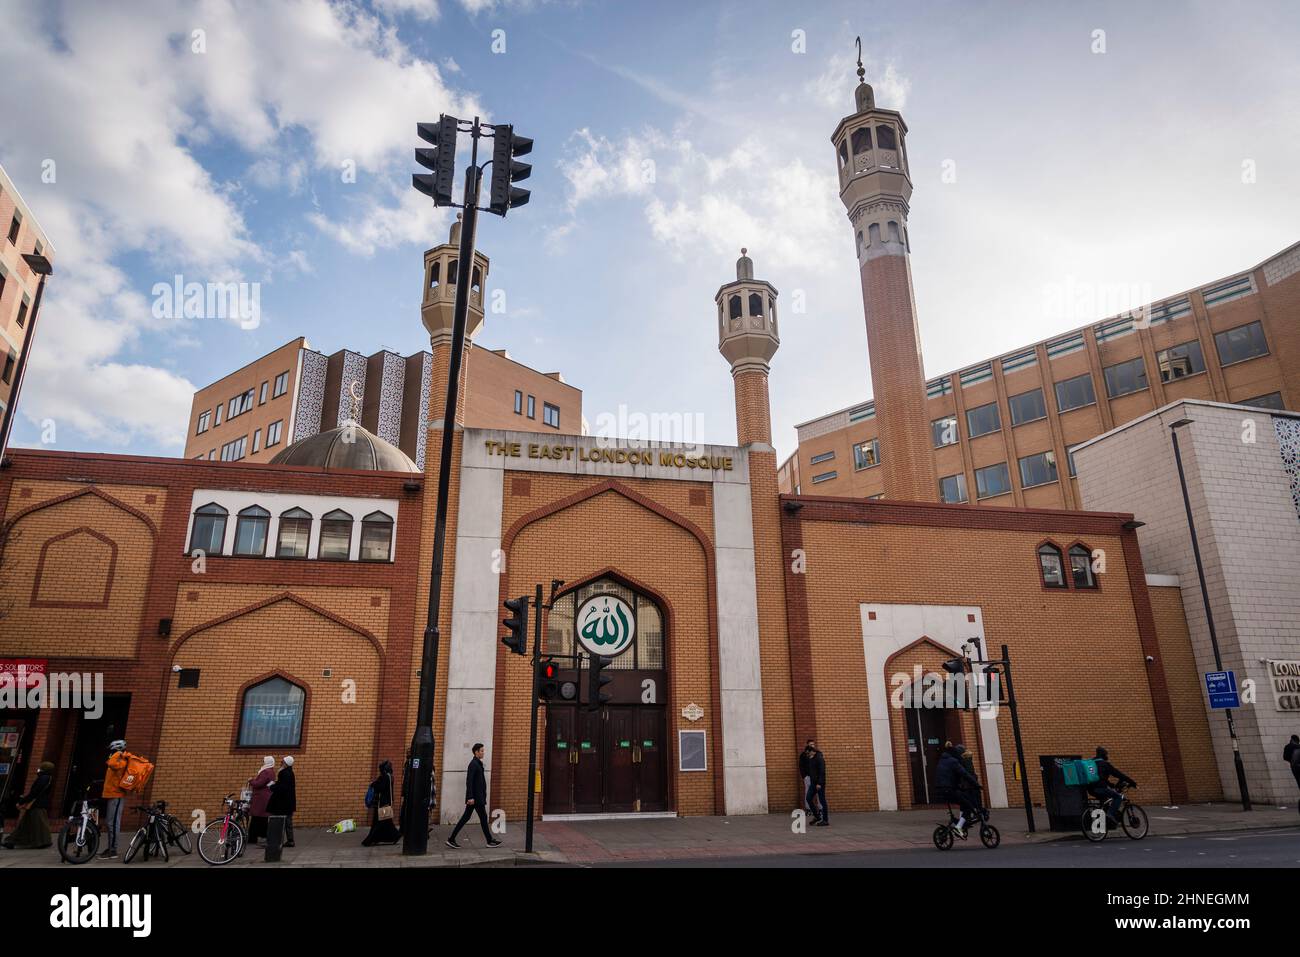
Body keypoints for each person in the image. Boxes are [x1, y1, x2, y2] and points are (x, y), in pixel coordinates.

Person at [445, 743, 501, 849]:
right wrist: (470, 797)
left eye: (483, 751)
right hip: (475, 798)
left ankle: (451, 839)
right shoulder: (473, 764)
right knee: (482, 818)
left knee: (468, 818)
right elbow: (469, 781)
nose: (483, 752)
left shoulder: (477, 763)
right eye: (481, 751)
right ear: (476, 752)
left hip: (476, 797)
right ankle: (489, 840)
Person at [3, 761, 54, 849]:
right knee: (31, 824)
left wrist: (22, 801)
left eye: (41, 766)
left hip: (37, 804)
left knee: (32, 824)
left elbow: (34, 792)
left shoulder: (43, 778)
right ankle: (13, 841)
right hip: (39, 804)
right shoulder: (48, 778)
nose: (39, 768)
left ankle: (13, 841)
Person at [935, 743, 981, 836]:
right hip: (949, 790)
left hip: (941, 790)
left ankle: (961, 822)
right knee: (969, 805)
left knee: (963, 801)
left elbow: (950, 776)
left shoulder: (942, 760)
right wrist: (976, 785)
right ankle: (959, 827)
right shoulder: (953, 762)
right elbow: (965, 774)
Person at [1087, 746, 1137, 823]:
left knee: (1104, 802)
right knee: (1118, 797)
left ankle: (1101, 823)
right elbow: (1119, 775)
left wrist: (1111, 785)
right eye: (1106, 754)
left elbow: (1100, 778)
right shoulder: (1105, 764)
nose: (1107, 756)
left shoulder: (1091, 763)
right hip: (1100, 788)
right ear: (1103, 754)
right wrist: (1132, 782)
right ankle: (1110, 814)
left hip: (1091, 789)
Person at [98, 740, 130, 859]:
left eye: (112, 749)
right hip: (112, 794)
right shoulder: (119, 759)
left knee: (113, 823)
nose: (110, 752)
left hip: (116, 795)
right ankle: (111, 848)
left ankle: (113, 850)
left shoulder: (120, 759)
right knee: (110, 822)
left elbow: (111, 764)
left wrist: (117, 753)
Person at [361, 760, 400, 847]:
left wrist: (373, 784)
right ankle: (394, 836)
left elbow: (380, 787)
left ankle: (371, 839)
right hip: (386, 803)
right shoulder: (390, 777)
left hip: (383, 804)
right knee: (386, 822)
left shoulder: (385, 777)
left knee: (379, 822)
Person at [267, 755, 296, 848]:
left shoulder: (284, 773)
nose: (280, 763)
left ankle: (276, 840)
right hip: (288, 801)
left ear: (286, 764)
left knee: (279, 820)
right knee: (288, 821)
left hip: (282, 802)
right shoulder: (290, 772)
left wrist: (272, 786)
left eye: (282, 762)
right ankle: (290, 840)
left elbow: (282, 787)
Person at [955, 744, 987, 825]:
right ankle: (965, 819)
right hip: (968, 785)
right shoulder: (964, 760)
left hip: (968, 785)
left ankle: (965, 819)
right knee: (968, 803)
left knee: (969, 803)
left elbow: (968, 773)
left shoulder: (964, 760)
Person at [247, 756, 276, 846]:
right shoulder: (271, 771)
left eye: (264, 761)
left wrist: (251, 781)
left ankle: (253, 837)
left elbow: (259, 783)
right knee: (262, 818)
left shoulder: (266, 771)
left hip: (261, 798)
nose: (263, 762)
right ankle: (262, 835)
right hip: (265, 797)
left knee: (257, 818)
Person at [806, 741, 828, 826]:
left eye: (808, 753)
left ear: (812, 751)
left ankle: (825, 820)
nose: (808, 755)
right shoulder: (811, 758)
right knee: (808, 798)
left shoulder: (819, 758)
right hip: (813, 783)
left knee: (822, 800)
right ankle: (817, 816)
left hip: (819, 783)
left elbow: (822, 772)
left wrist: (819, 783)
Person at [798, 741, 821, 819]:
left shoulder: (818, 754)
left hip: (816, 777)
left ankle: (820, 809)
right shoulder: (803, 755)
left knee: (819, 792)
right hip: (808, 777)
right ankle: (808, 809)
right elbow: (801, 766)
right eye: (811, 744)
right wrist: (804, 776)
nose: (812, 746)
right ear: (807, 745)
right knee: (808, 793)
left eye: (813, 744)